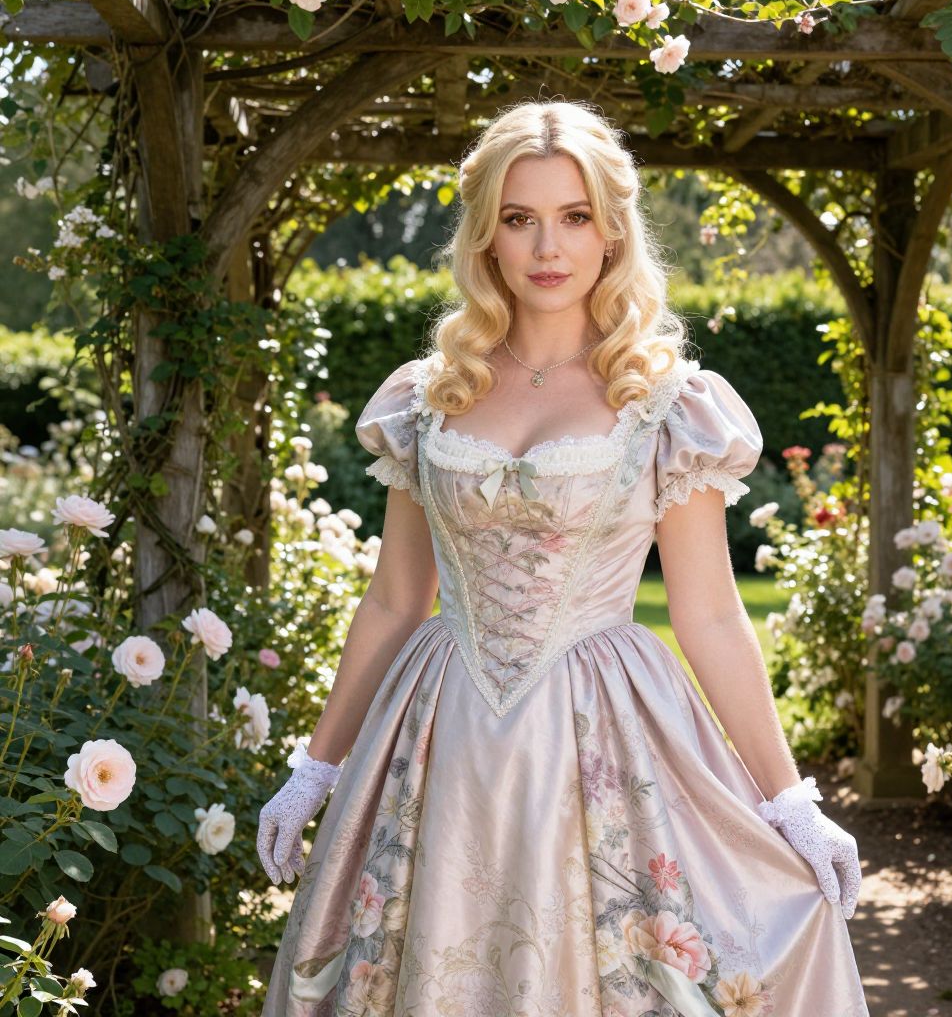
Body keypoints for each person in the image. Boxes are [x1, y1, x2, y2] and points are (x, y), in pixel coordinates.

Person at [257, 99, 868, 1017]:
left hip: (603, 734)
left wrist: (790, 801)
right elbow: (395, 598)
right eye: (520, 217)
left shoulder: (668, 403)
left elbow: (707, 614)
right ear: (486, 236)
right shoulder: (430, 395)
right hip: (441, 733)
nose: (550, 246)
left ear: (612, 232)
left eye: (575, 216)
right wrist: (319, 767)